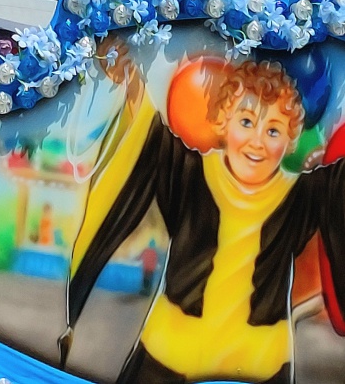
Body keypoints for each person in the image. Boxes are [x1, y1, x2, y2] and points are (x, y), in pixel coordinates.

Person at [61, 45, 345, 384]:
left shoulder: (303, 195)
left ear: (290, 140)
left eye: (273, 130)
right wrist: (131, 84)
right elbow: (148, 136)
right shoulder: (190, 173)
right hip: (168, 358)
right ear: (223, 124)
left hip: (258, 366)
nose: (257, 141)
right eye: (246, 121)